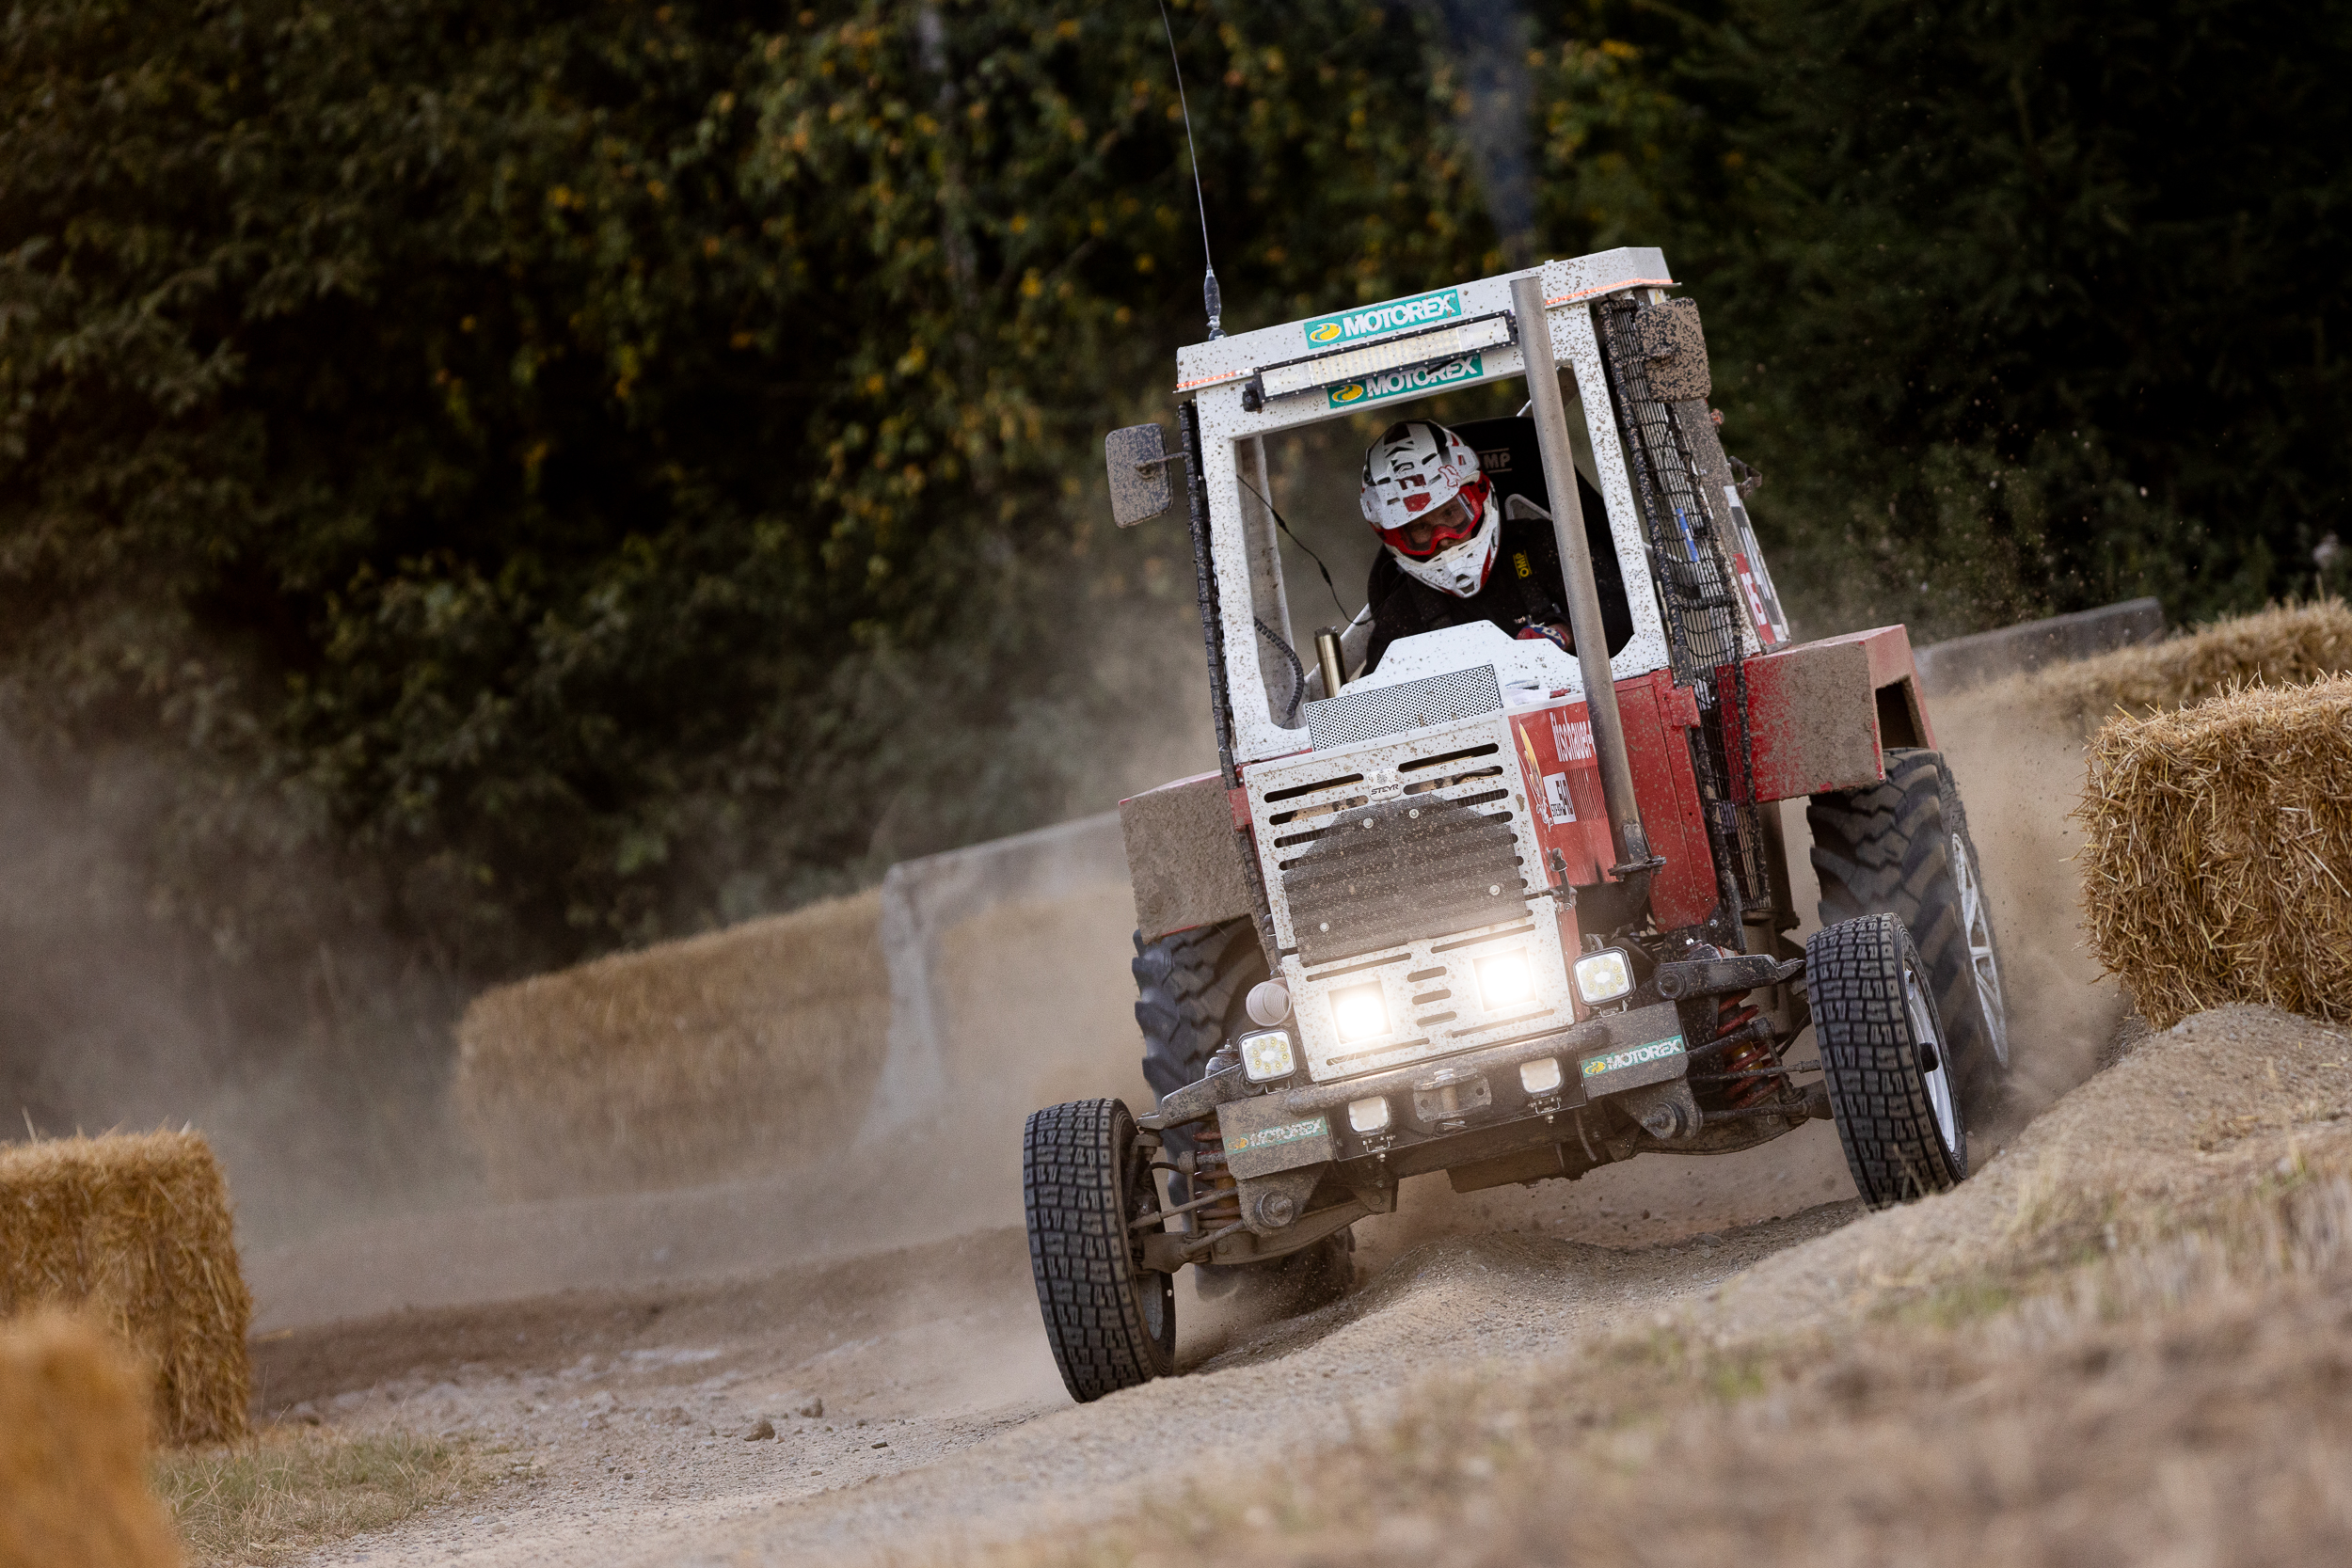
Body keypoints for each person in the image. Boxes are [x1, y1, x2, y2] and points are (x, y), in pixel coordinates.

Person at [1358, 418, 1629, 673]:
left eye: (1450, 513)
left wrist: (1564, 634)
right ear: (1395, 539)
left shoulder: (1544, 546)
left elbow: (1625, 610)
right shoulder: (1402, 613)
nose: (1444, 537)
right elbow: (1374, 699)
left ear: (1478, 496)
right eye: (1420, 528)